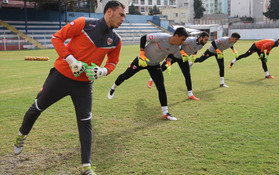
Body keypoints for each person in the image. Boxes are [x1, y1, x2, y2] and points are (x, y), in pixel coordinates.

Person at [13, 1, 125, 175]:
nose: (123, 19)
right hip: (60, 77)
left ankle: (86, 167)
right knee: (37, 108)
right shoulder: (83, 23)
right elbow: (56, 38)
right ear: (109, 12)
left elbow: (113, 62)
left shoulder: (116, 40)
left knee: (85, 122)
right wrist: (71, 60)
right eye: (121, 14)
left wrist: (102, 71)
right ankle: (21, 135)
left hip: (84, 85)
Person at [107, 27, 189, 121]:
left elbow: (170, 53)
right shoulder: (161, 37)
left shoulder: (177, 47)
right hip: (142, 60)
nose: (183, 42)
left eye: (184, 40)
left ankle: (165, 114)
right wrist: (142, 53)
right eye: (182, 39)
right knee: (126, 76)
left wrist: (169, 62)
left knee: (161, 87)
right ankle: (113, 87)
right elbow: (143, 38)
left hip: (154, 65)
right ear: (176, 35)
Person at [147, 32, 209, 100]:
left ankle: (190, 94)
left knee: (187, 75)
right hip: (173, 55)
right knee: (162, 68)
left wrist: (194, 55)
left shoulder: (201, 46)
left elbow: (195, 49)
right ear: (201, 37)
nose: (206, 41)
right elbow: (178, 44)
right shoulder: (190, 40)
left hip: (183, 59)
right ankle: (151, 79)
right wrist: (181, 52)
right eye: (205, 39)